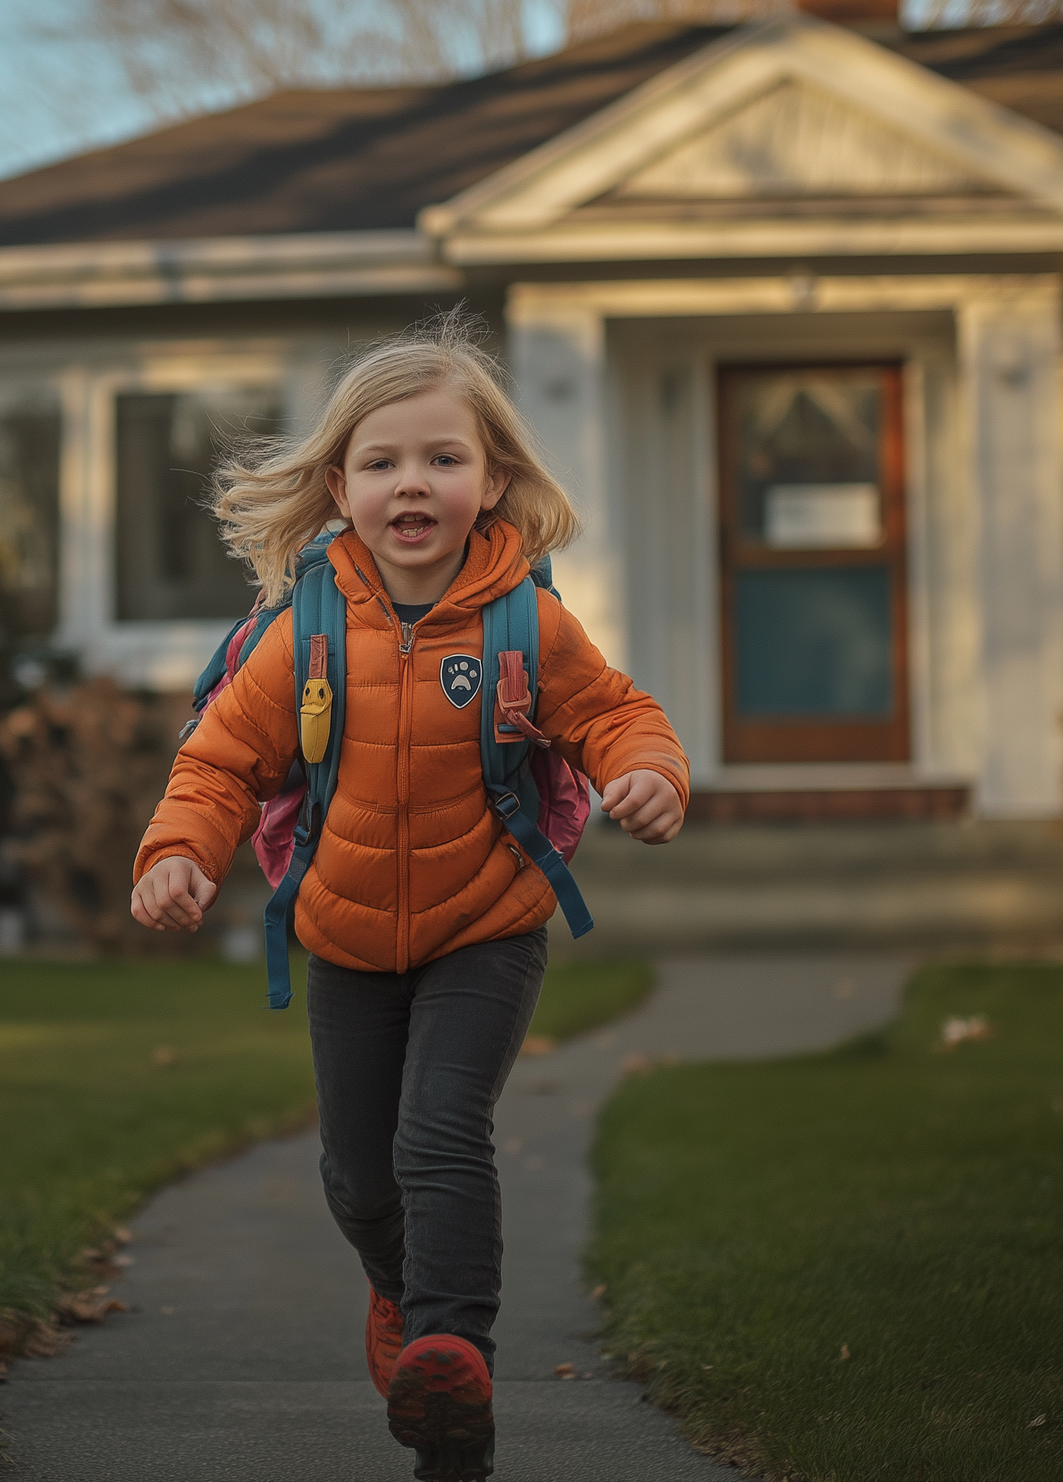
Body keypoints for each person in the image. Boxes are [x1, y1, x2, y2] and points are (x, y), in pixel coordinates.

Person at [129, 316, 689, 1481]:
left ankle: (452, 1357)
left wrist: (647, 769)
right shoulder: (304, 629)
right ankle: (399, 1293)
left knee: (440, 1132)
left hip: (485, 923)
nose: (412, 482)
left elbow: (615, 713)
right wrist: (176, 853)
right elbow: (220, 760)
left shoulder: (527, 620)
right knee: (358, 1173)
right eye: (383, 462)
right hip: (341, 933)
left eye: (443, 457)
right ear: (341, 485)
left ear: (492, 480)